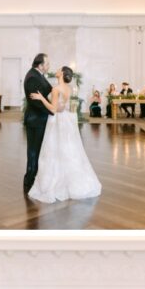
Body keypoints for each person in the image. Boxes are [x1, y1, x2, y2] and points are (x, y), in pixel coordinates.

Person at [27, 66, 102, 204]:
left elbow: (54, 109)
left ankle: (56, 183)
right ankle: (68, 180)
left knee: (54, 151)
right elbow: (63, 106)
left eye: (58, 69)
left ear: (61, 73)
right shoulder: (68, 88)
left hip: (56, 121)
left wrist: (41, 98)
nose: (56, 70)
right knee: (67, 150)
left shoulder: (56, 89)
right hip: (66, 120)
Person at [22, 53, 53, 193]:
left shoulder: (38, 75)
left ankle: (34, 177)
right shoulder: (32, 77)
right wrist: (52, 110)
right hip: (35, 120)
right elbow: (36, 102)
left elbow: (46, 92)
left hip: (40, 119)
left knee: (38, 150)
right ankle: (29, 180)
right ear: (40, 65)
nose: (49, 66)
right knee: (33, 151)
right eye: (47, 63)